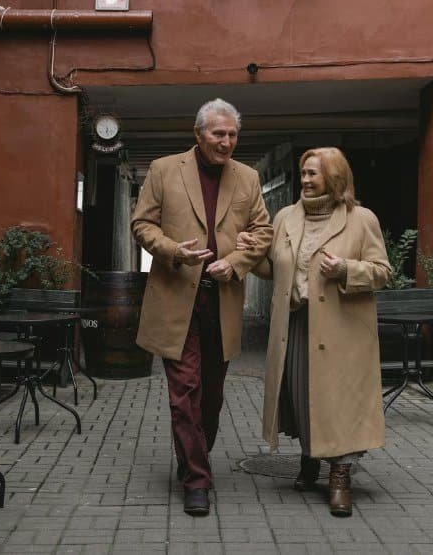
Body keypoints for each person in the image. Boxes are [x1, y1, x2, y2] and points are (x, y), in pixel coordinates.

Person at [130, 98, 273, 517]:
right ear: (198, 135)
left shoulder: (247, 178)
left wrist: (238, 261)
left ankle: (192, 455)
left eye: (232, 135)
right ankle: (197, 478)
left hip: (223, 300)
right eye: (218, 134)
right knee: (184, 392)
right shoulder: (163, 170)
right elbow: (142, 224)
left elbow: (262, 230)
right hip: (177, 299)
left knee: (210, 396)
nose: (226, 142)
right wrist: (174, 250)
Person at [238, 147, 391, 517]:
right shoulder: (287, 217)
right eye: (303, 173)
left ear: (334, 178)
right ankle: (310, 458)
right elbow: (277, 269)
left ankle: (340, 477)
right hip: (295, 323)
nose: (305, 180)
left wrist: (348, 270)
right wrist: (251, 255)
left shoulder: (360, 219)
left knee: (336, 402)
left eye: (312, 174)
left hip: (342, 330)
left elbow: (382, 271)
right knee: (301, 396)